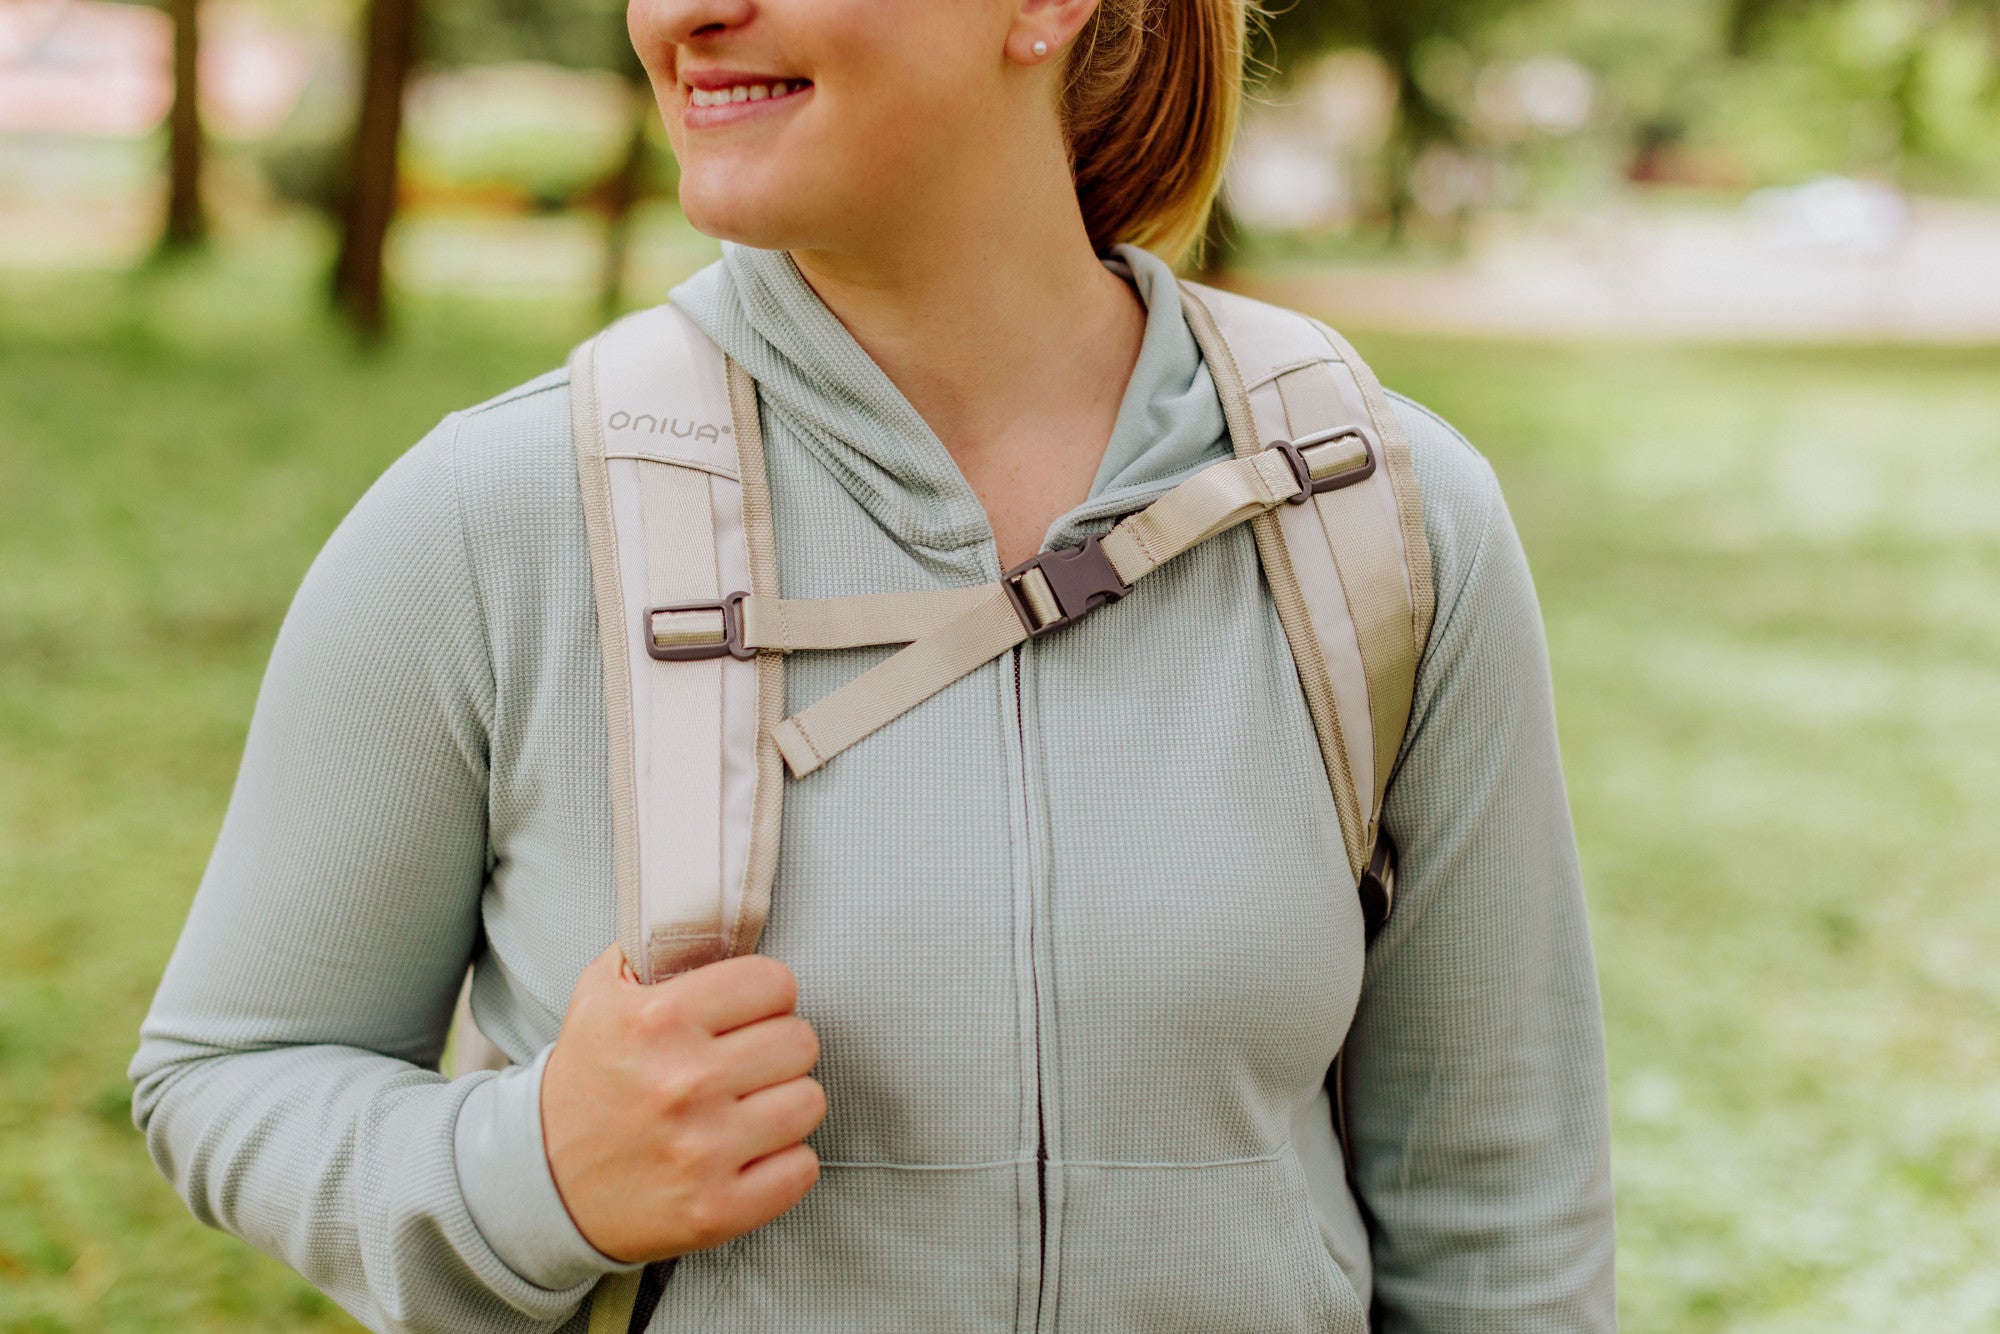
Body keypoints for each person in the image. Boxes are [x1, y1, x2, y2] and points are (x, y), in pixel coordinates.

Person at [130, 0, 1617, 1330]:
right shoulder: (493, 515)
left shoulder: (1372, 509)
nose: (687, 15)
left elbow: (1503, 1218)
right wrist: (536, 1169)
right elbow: (228, 1073)